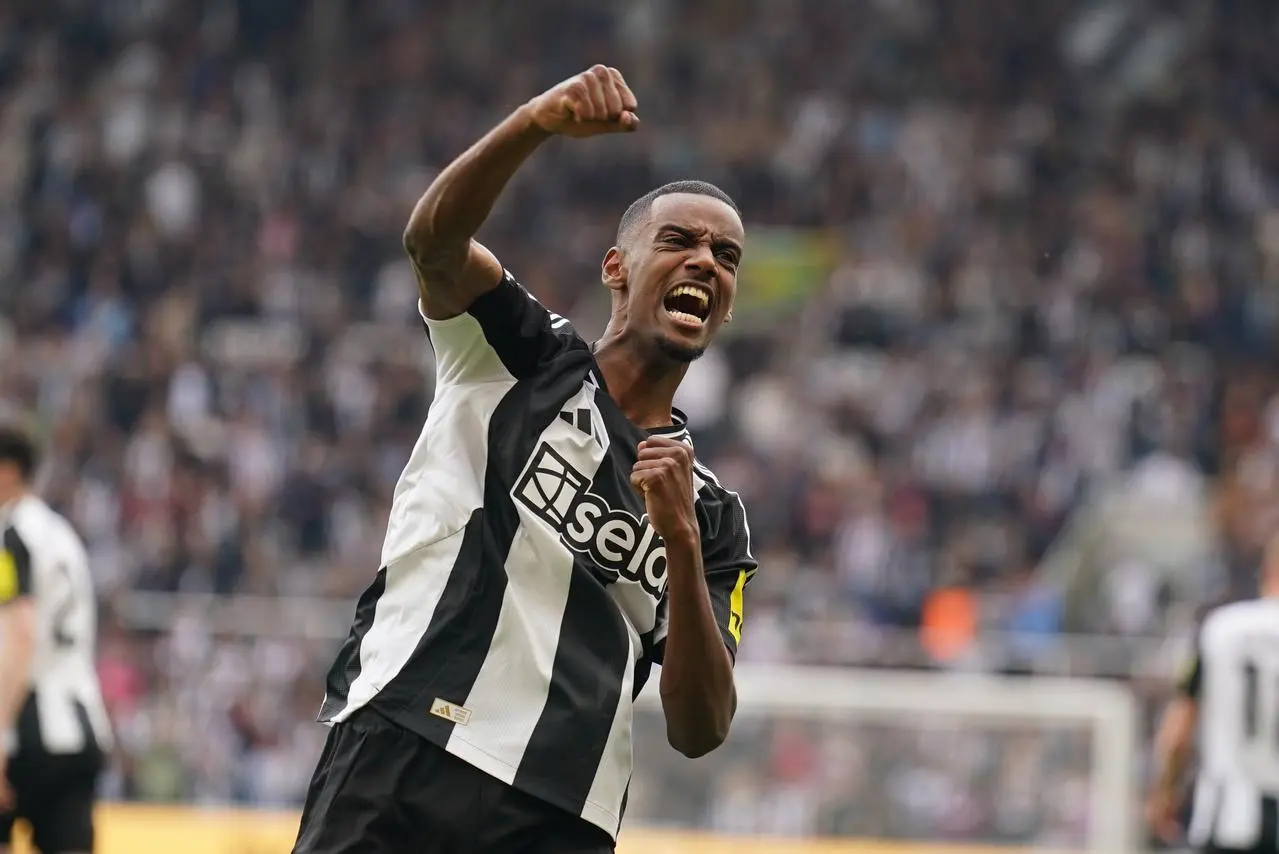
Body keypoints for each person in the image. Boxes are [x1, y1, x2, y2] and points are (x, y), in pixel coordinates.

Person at [293, 65, 757, 854]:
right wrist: (534, 122)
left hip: (559, 815)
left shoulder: (712, 516)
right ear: (616, 269)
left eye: (726, 255)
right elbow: (431, 243)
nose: (705, 261)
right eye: (678, 241)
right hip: (409, 740)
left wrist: (677, 541)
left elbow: (700, 726)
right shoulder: (525, 355)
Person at [0, 423, 112, 854]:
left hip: (25, 731)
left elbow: (21, 634)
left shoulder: (11, 536)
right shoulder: (63, 534)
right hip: (81, 726)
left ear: (8, 471)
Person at [1148, 536, 1279, 854]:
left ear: (1267, 568)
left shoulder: (1221, 628)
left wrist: (1163, 793)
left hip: (1228, 811)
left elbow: (1179, 728)